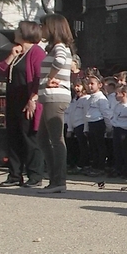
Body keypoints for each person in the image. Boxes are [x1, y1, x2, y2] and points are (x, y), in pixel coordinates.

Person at [0, 21, 46, 187]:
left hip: (27, 101)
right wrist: (11, 56)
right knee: (13, 137)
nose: (15, 32)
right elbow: (0, 70)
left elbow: (40, 78)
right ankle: (15, 174)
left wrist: (33, 99)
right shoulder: (17, 52)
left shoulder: (36, 52)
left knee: (29, 138)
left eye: (18, 29)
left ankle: (35, 175)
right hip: (13, 101)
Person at [36, 13, 74, 194]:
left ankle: (58, 180)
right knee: (43, 138)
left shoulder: (59, 47)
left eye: (43, 25)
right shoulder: (58, 47)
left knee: (56, 140)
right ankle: (54, 178)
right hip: (51, 97)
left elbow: (59, 61)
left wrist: (50, 77)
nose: (41, 29)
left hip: (55, 97)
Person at [82, 75, 112, 177]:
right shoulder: (89, 99)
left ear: (99, 85)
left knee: (100, 146)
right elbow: (86, 114)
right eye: (88, 84)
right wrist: (86, 128)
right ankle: (94, 166)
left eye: (92, 84)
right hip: (91, 123)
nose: (90, 86)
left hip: (99, 123)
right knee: (93, 146)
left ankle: (100, 167)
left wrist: (109, 127)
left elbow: (106, 114)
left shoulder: (101, 98)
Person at [111, 84, 127, 178]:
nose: (115, 95)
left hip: (125, 131)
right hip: (117, 129)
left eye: (117, 93)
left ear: (124, 94)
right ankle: (118, 169)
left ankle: (126, 170)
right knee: (117, 151)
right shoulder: (117, 106)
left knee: (125, 152)